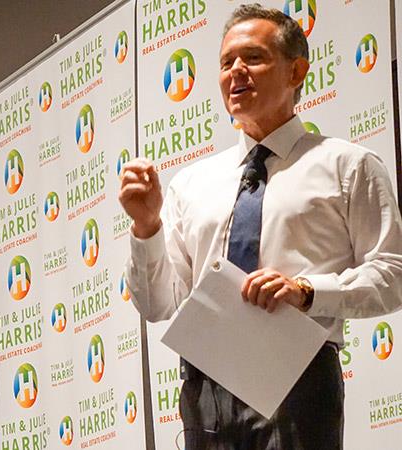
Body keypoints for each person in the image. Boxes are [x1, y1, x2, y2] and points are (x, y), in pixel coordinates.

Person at [119, 4, 402, 449]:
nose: (236, 71)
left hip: (299, 381)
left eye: (253, 58)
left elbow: (393, 273)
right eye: (226, 62)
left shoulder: (348, 166)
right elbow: (157, 305)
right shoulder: (192, 183)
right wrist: (146, 225)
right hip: (205, 389)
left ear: (296, 71)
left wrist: (307, 291)